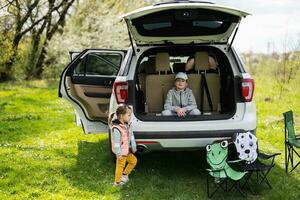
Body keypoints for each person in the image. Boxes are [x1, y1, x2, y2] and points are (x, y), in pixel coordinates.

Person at [108, 104, 137, 186]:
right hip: (121, 153)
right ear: (121, 116)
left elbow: (131, 135)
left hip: (126, 151)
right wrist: (118, 154)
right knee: (120, 166)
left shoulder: (126, 125)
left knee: (133, 161)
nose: (130, 117)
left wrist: (133, 146)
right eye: (128, 115)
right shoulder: (117, 128)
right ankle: (117, 182)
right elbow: (116, 143)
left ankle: (124, 175)